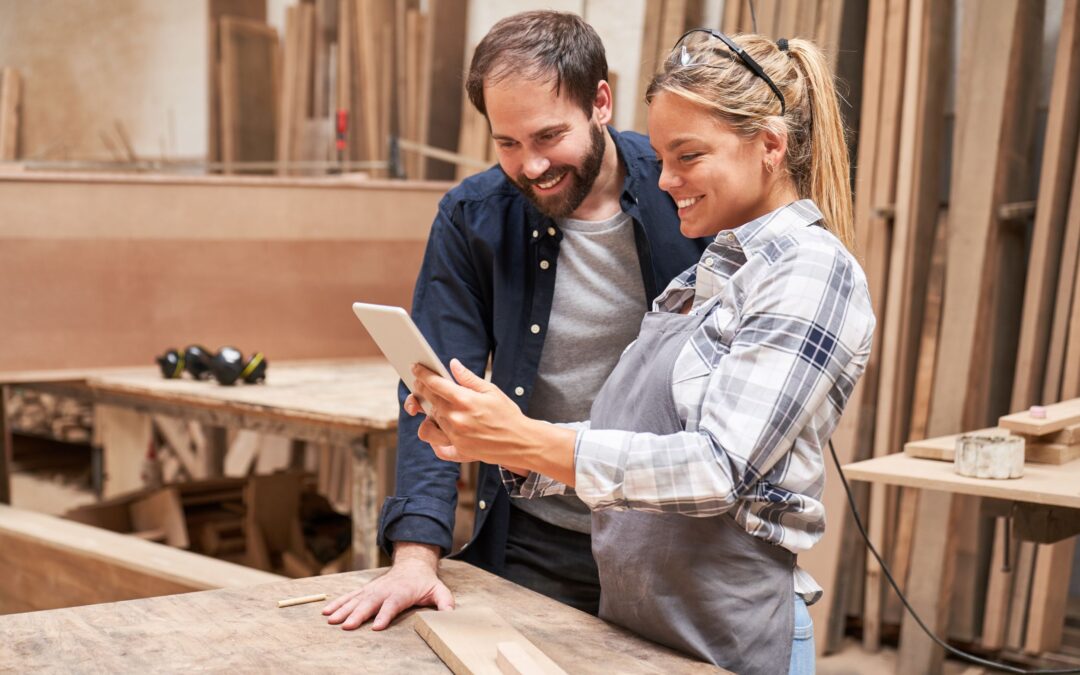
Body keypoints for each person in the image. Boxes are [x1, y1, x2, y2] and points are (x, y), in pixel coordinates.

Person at [406, 29, 876, 675]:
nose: (667, 179)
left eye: (687, 156)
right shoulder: (706, 272)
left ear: (770, 144)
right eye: (660, 155)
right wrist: (491, 439)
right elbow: (630, 434)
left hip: (724, 635)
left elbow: (719, 468)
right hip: (646, 623)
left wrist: (527, 441)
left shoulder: (809, 271)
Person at [322, 11, 709, 630]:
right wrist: (416, 558)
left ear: (600, 102)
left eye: (549, 136)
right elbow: (434, 389)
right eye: (507, 143)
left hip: (672, 538)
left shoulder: (686, 195)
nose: (530, 166)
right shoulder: (473, 216)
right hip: (538, 538)